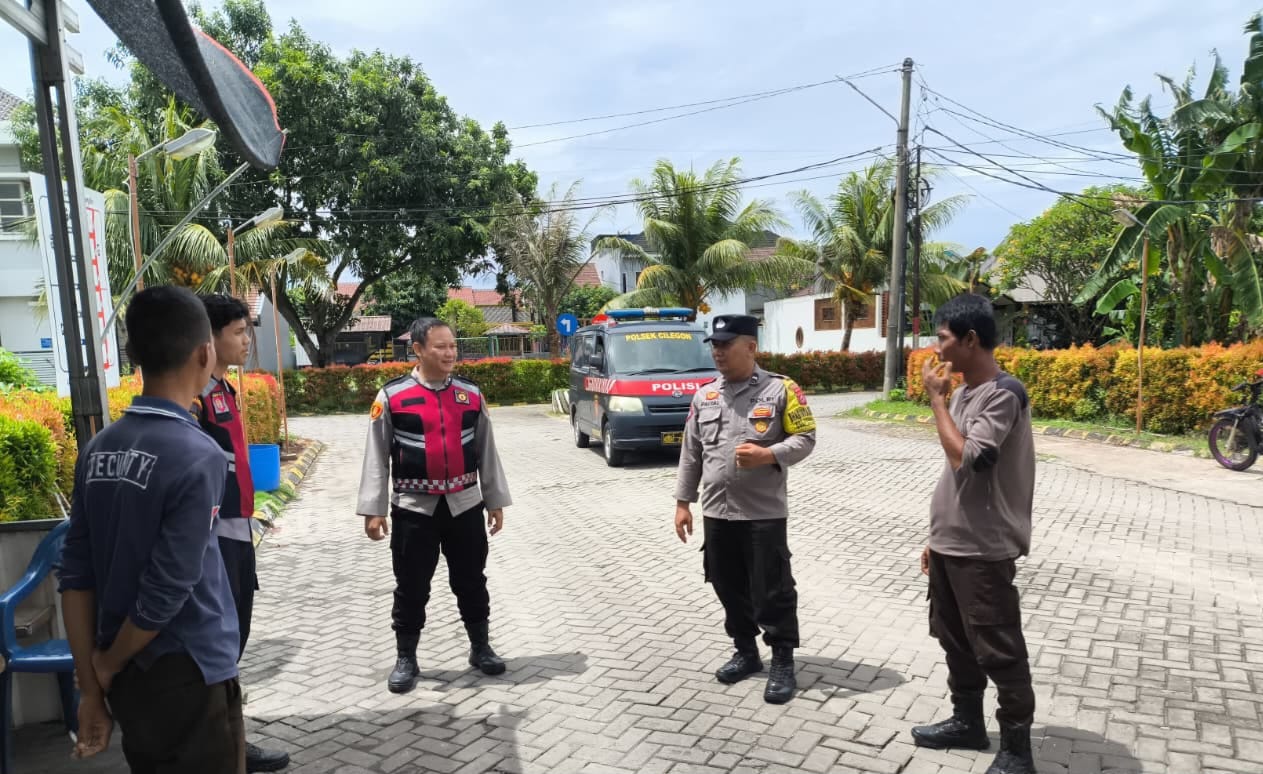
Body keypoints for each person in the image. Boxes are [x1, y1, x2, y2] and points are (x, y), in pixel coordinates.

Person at [58, 285, 245, 773]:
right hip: (188, 671)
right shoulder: (198, 453)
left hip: (128, 678)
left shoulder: (98, 448)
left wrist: (92, 685)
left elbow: (75, 575)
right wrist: (107, 664)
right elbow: (168, 588)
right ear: (204, 354)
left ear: (135, 356)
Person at [911, 293, 1037, 774]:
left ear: (969, 339)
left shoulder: (1004, 393)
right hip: (951, 543)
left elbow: (970, 459)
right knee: (956, 641)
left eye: (942, 337)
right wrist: (936, 537)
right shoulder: (964, 393)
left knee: (999, 649)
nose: (936, 347)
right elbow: (953, 475)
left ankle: (1017, 751)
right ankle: (967, 722)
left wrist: (936, 400)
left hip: (983, 549)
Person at [357, 317, 512, 693]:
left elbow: (486, 450)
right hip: (414, 509)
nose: (450, 353)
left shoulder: (470, 395)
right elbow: (376, 455)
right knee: (411, 586)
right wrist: (374, 508)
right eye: (441, 346)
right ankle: (406, 658)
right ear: (419, 350)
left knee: (472, 580)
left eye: (453, 346)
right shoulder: (392, 396)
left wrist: (495, 500)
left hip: (465, 505)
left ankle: (481, 647)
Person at [673, 313, 816, 704]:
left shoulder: (781, 390)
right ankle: (746, 651)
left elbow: (806, 438)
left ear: (751, 347)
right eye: (715, 346)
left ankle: (782, 660)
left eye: (726, 345)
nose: (718, 352)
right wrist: (683, 503)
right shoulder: (705, 396)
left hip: (763, 513)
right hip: (717, 512)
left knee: (772, 589)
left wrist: (770, 454)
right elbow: (691, 452)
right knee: (726, 583)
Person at [194, 295, 290, 773]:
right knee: (219, 642)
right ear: (207, 339)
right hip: (214, 539)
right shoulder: (195, 400)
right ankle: (223, 746)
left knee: (235, 636)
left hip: (238, 530)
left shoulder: (224, 390)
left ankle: (230, 739)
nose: (247, 341)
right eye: (237, 332)